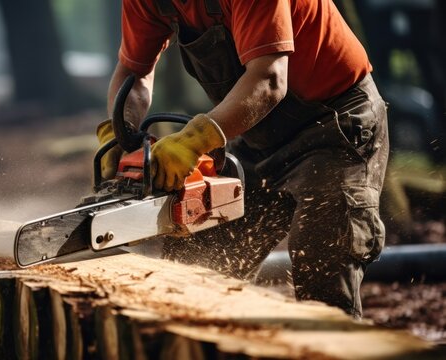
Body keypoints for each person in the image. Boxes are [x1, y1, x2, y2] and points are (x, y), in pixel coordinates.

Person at [95, 0, 389, 318]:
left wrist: (193, 142)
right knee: (196, 261)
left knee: (322, 262)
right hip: (253, 132)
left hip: (333, 125)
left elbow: (269, 80)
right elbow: (133, 73)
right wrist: (119, 130)